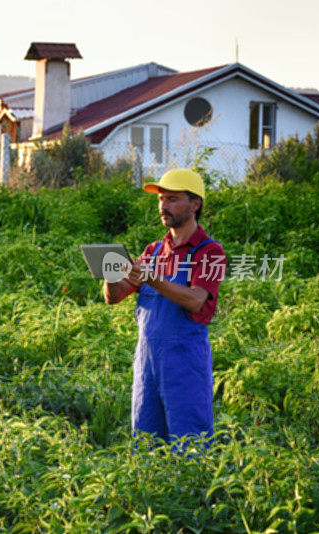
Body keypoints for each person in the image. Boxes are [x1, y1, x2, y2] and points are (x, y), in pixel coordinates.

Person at [105, 168, 226, 448]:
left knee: (190, 444)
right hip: (147, 364)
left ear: (195, 204)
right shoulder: (153, 252)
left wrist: (152, 278)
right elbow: (115, 296)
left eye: (172, 199)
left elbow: (196, 299)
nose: (163, 206)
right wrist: (109, 273)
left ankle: (191, 492)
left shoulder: (209, 252)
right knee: (146, 445)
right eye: (161, 199)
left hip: (185, 365)